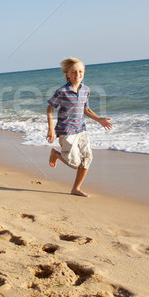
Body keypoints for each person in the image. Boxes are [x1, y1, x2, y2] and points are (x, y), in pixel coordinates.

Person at [46, 57, 113, 197]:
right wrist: (51, 129)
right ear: (67, 75)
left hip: (81, 129)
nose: (78, 75)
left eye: (80, 71)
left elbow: (86, 109)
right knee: (75, 162)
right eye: (74, 72)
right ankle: (56, 154)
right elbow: (50, 108)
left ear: (84, 72)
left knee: (87, 158)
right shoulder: (62, 91)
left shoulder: (86, 90)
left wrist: (99, 119)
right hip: (66, 131)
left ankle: (76, 188)